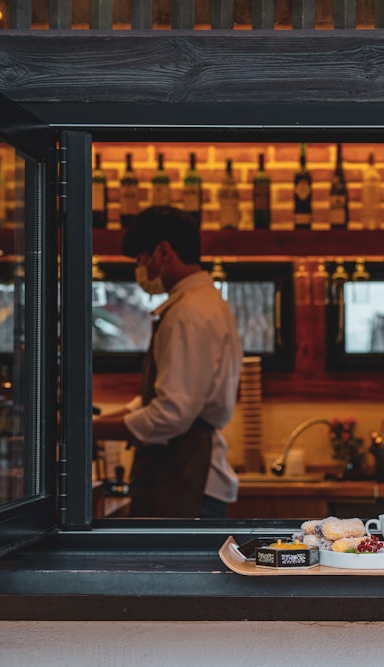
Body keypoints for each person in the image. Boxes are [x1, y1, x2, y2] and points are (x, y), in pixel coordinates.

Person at [92, 206, 242, 518]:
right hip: (186, 476)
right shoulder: (207, 303)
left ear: (163, 252)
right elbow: (171, 397)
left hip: (186, 478)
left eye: (141, 259)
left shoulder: (188, 313)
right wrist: (98, 424)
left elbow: (171, 414)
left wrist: (88, 431)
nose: (141, 270)